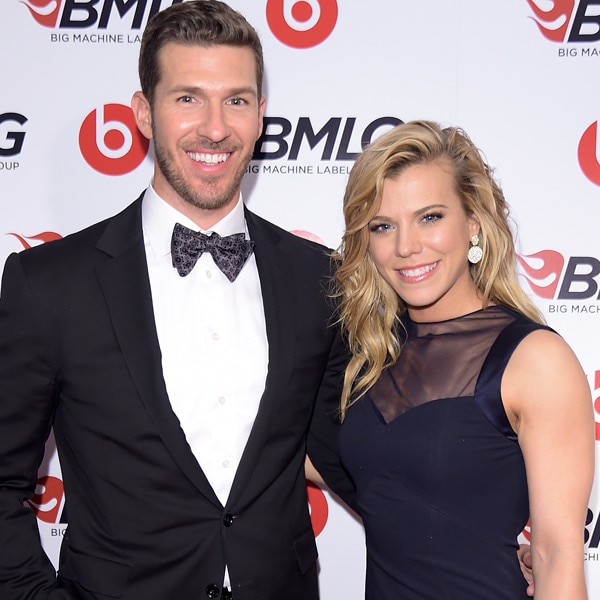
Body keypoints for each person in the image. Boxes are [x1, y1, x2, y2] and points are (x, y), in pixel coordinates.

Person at [0, 2, 356, 598]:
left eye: (236, 100)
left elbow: (357, 456)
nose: (214, 128)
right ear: (144, 112)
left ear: (261, 115)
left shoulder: (318, 278)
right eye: (188, 98)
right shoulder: (50, 284)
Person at [333, 120, 594, 599]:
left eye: (430, 217)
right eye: (383, 226)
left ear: (473, 221)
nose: (406, 247)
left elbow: (557, 556)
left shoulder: (534, 360)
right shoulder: (370, 354)